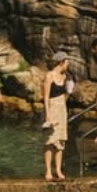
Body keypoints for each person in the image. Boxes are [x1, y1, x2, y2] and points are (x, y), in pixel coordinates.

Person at [40, 51, 72, 181]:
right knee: (49, 141)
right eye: (67, 62)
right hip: (52, 107)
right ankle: (48, 170)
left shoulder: (65, 77)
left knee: (60, 140)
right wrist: (48, 115)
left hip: (62, 108)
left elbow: (65, 95)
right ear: (61, 62)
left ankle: (58, 169)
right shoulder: (50, 76)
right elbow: (46, 96)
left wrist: (69, 91)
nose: (68, 64)